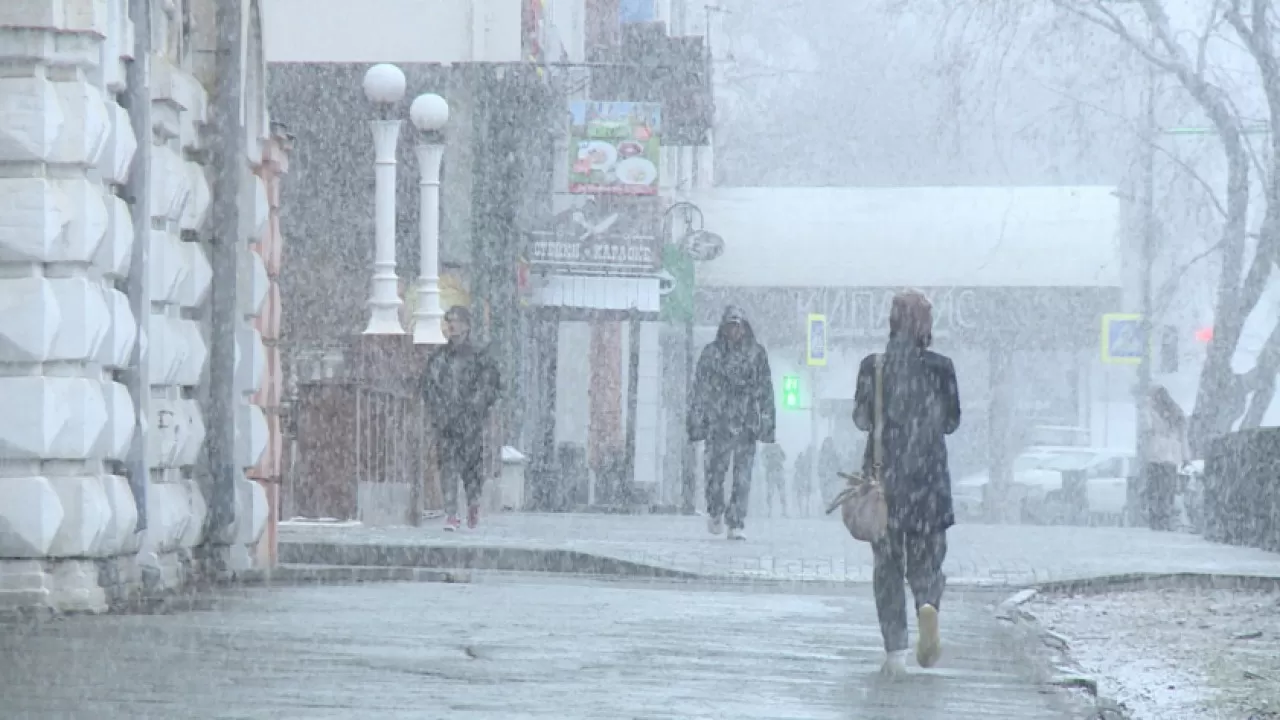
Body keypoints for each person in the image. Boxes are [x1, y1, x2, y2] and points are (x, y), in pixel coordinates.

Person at [853, 290, 961, 677]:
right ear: (926, 327)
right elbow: (951, 423)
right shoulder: (941, 367)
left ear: (892, 323)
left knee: (887, 565)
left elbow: (862, 420)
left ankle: (895, 652)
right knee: (928, 558)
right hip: (929, 483)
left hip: (886, 484)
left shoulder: (874, 367)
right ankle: (927, 602)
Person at [688, 306, 776, 540]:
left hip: (746, 423)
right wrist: (697, 420)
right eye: (730, 325)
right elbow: (699, 389)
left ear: (744, 327)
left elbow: (766, 390)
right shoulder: (711, 354)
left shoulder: (756, 354)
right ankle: (715, 510)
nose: (734, 330)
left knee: (742, 477)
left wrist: (767, 422)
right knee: (714, 474)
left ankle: (736, 521)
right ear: (724, 327)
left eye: (738, 325)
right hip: (717, 423)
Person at [422, 306, 502, 531]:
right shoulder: (439, 358)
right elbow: (429, 386)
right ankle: (451, 513)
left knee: (471, 468)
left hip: (470, 422)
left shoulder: (479, 356)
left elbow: (489, 386)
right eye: (449, 321)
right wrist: (440, 410)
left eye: (456, 321)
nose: (452, 326)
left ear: (467, 325)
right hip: (446, 422)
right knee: (447, 466)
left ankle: (473, 503)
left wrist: (473, 408)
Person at [1144, 385, 1190, 531]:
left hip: (1156, 455)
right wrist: (1185, 457)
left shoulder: (1151, 412)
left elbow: (1147, 428)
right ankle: (1165, 518)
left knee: (1154, 489)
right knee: (1167, 489)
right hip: (1171, 457)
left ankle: (1156, 519)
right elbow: (1183, 438)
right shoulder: (1177, 413)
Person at [763, 443, 787, 517]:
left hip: (777, 471)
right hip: (772, 471)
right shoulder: (767, 447)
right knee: (771, 492)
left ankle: (783, 511)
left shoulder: (776, 446)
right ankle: (770, 511)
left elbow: (784, 457)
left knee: (780, 492)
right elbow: (763, 459)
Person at [794, 446, 813, 517]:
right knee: (800, 496)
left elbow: (809, 469)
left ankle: (806, 511)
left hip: (805, 480)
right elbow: (796, 466)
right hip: (801, 480)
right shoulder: (798, 462)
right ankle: (801, 511)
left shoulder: (807, 461)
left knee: (806, 497)